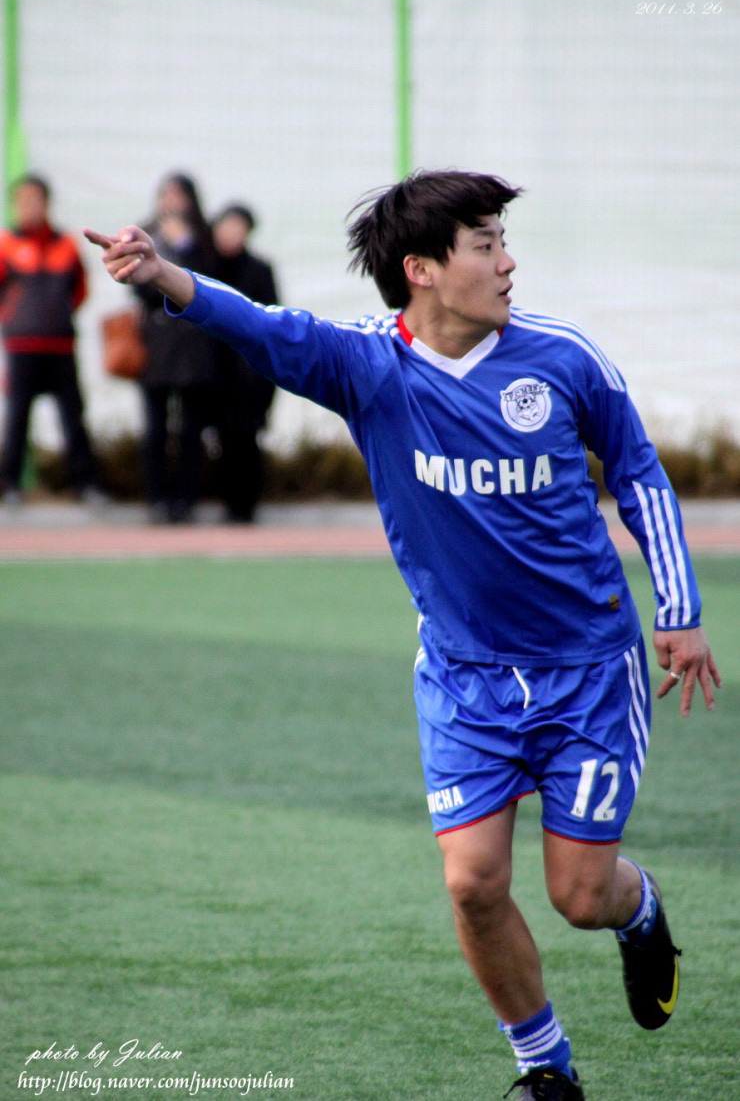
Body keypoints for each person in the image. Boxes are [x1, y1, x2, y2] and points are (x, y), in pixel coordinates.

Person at [85, 169, 720, 1100]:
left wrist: (681, 610)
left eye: (503, 241)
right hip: (464, 675)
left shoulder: (563, 358)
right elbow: (258, 325)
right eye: (486, 245)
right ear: (422, 269)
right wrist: (163, 274)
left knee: (580, 897)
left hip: (588, 668)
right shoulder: (368, 366)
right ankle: (545, 1070)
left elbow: (639, 473)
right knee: (472, 883)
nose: (508, 263)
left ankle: (641, 909)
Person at [0, 173, 101, 504]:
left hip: (60, 345)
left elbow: (80, 290)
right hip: (21, 346)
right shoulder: (6, 244)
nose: (28, 206)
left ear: (46, 203)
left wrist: (58, 315)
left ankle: (86, 485)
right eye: (22, 201)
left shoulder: (66, 244)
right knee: (17, 418)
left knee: (73, 417)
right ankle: (11, 485)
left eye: (34, 200)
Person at [135, 173, 220, 523]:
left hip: (193, 345)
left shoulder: (203, 237)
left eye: (178, 195)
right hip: (155, 345)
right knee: (155, 428)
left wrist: (183, 244)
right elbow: (138, 288)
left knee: (189, 428)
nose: (171, 202)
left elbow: (209, 281)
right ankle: (157, 499)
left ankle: (186, 500)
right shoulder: (144, 234)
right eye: (165, 194)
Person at [211, 204, 278, 522]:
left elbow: (272, 318)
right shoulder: (205, 266)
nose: (230, 234)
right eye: (226, 226)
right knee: (221, 439)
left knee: (248, 439)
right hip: (214, 371)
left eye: (238, 227)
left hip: (250, 371)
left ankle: (247, 506)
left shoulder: (259, 270)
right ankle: (226, 503)